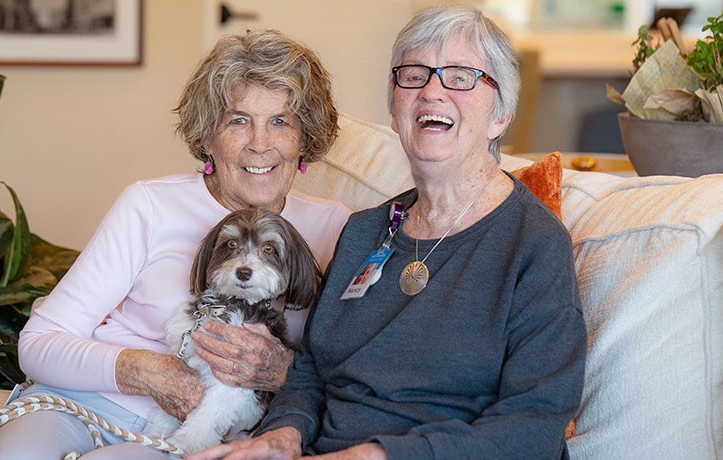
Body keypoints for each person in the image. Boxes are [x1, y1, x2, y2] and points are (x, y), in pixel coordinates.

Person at [189, 5, 586, 460]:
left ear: (501, 114)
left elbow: (534, 426)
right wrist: (282, 436)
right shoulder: (364, 231)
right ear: (395, 106)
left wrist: (374, 455)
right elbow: (310, 373)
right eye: (414, 74)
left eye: (460, 77)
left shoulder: (533, 243)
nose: (432, 91)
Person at [0, 29, 351, 460]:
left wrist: (281, 372)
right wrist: (143, 369)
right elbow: (40, 342)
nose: (259, 143)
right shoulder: (150, 203)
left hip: (200, 431)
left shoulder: (336, 227)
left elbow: (350, 374)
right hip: (79, 404)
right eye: (237, 120)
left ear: (305, 137)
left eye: (281, 121)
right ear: (207, 135)